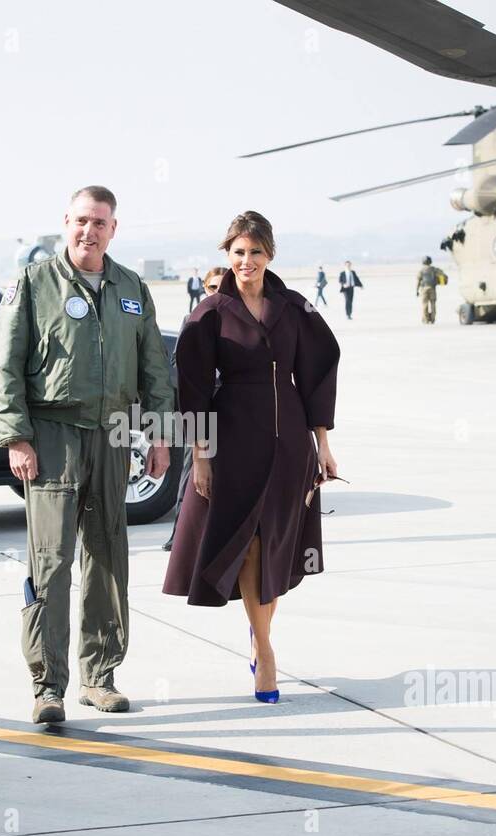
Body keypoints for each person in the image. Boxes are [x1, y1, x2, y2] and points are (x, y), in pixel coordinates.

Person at [0, 185, 174, 724]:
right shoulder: (33, 284)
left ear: (114, 229)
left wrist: (159, 437)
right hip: (53, 436)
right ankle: (48, 686)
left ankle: (100, 676)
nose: (89, 231)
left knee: (109, 558)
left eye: (100, 222)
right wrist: (16, 437)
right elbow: (4, 365)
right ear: (65, 222)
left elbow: (155, 372)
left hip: (114, 435)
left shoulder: (131, 288)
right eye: (81, 220)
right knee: (51, 561)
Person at [164, 211, 340, 704]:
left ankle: (259, 635)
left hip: (289, 443)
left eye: (255, 253)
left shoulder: (294, 308)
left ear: (270, 255)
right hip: (234, 439)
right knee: (251, 541)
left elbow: (318, 370)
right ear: (227, 256)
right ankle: (265, 651)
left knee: (281, 540)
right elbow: (193, 388)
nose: (246, 261)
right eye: (238, 253)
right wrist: (200, 456)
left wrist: (322, 442)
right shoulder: (209, 314)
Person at [163, 266, 225, 552]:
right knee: (191, 472)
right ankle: (180, 535)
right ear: (204, 288)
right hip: (201, 411)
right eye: (212, 287)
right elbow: (178, 365)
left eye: (223, 286)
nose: (217, 292)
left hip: (232, 409)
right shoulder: (193, 319)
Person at [416, 255, 447, 324]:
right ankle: (432, 319)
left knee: (425, 305)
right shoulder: (434, 269)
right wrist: (441, 283)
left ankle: (426, 319)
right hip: (432, 288)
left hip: (424, 289)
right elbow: (442, 274)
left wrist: (417, 290)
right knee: (433, 304)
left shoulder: (421, 271)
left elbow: (418, 281)